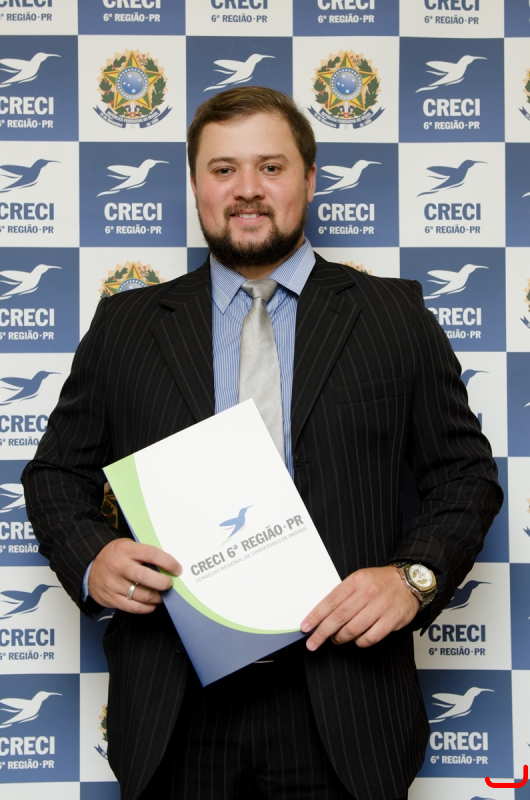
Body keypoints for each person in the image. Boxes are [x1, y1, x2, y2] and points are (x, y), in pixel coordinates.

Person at [22, 87, 502, 800]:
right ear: (195, 185)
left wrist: (414, 578)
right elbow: (56, 474)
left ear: (309, 179)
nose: (247, 189)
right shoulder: (125, 326)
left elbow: (465, 476)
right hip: (175, 706)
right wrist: (93, 556)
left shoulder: (395, 317)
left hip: (346, 703)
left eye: (270, 167)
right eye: (223, 170)